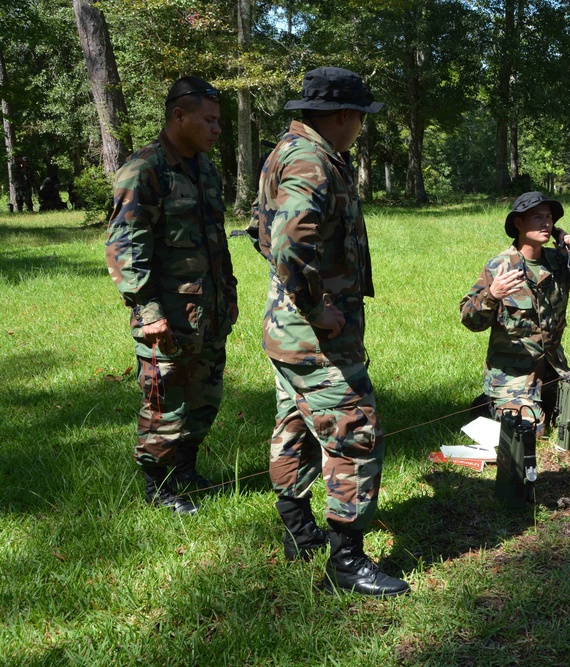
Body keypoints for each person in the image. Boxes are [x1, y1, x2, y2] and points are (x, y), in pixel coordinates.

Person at [252, 67, 408, 597]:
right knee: (355, 433)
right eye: (360, 118)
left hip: (287, 329)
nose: (361, 127)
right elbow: (289, 241)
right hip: (315, 337)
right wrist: (316, 305)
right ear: (343, 116)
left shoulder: (287, 151)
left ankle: (299, 533)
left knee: (294, 424)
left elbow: (259, 228)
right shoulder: (312, 161)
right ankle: (347, 561)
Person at [106, 76, 237, 515]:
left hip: (209, 311)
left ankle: (184, 470)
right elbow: (125, 246)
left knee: (205, 397)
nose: (217, 129)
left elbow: (214, 241)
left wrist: (227, 299)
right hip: (167, 316)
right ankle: (156, 485)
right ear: (179, 116)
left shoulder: (205, 169)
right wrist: (147, 312)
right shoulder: (144, 170)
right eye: (209, 119)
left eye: (219, 121)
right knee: (165, 403)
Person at [460, 191, 570, 433]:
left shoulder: (559, 262)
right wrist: (492, 294)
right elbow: (469, 319)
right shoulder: (499, 266)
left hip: (553, 370)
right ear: (519, 223)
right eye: (537, 217)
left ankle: (527, 405)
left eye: (549, 217)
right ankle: (487, 406)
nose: (546, 223)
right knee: (532, 430)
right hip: (512, 377)